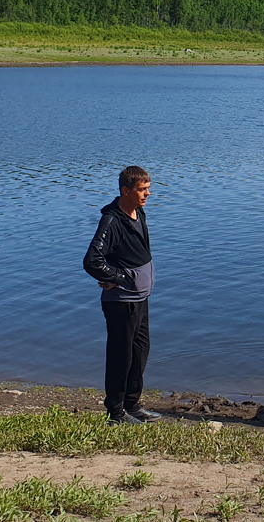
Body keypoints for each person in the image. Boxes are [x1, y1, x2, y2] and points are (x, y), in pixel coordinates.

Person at [82, 166, 161, 425]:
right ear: (125, 191)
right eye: (142, 189)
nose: (147, 193)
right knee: (121, 356)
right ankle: (115, 414)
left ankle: (133, 405)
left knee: (140, 351)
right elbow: (92, 261)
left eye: (148, 188)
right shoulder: (112, 220)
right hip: (122, 301)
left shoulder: (139, 213)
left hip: (140, 298)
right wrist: (118, 278)